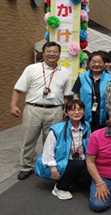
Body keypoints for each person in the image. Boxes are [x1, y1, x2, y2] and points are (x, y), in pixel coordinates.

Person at [11, 42, 74, 180]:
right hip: (33, 108)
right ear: (43, 53)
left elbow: (66, 95)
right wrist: (13, 105)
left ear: (59, 54)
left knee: (52, 141)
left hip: (55, 110)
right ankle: (26, 167)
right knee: (28, 139)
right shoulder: (31, 69)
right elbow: (18, 89)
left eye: (55, 51)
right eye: (49, 51)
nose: (52, 54)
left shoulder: (64, 72)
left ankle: (48, 166)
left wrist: (65, 109)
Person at [34, 100, 92, 200]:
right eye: (72, 110)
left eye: (80, 109)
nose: (77, 112)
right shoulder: (57, 129)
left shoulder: (86, 126)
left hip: (80, 160)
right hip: (62, 162)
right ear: (66, 112)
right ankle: (59, 187)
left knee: (87, 179)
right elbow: (48, 151)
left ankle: (72, 180)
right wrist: (53, 169)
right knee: (79, 164)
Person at [73, 51, 111, 132]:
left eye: (100, 62)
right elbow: (76, 95)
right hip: (84, 115)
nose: (96, 65)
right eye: (94, 62)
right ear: (89, 63)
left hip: (104, 116)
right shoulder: (82, 78)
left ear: (104, 64)